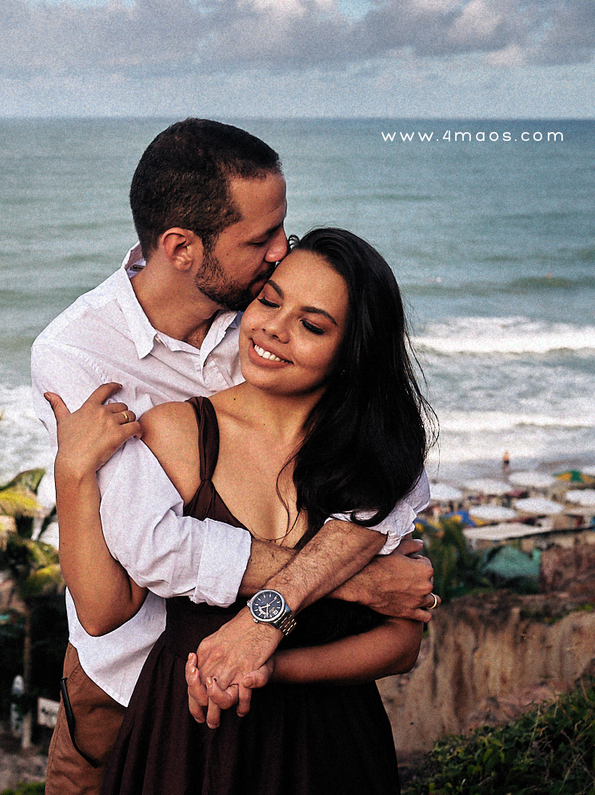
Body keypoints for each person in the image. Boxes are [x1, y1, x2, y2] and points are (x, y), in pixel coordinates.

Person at [30, 119, 435, 795]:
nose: (281, 254)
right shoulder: (79, 355)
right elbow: (150, 551)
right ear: (182, 248)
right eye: (260, 241)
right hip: (127, 675)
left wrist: (268, 624)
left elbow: (384, 468)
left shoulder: (263, 310)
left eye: (285, 229)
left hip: (284, 688)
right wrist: (348, 580)